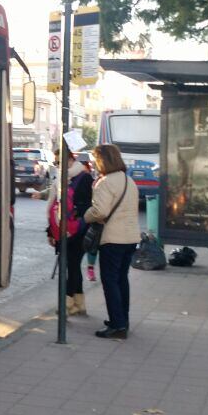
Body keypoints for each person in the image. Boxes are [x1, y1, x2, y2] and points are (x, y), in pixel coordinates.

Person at [84, 144, 140, 339]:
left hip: (112, 239)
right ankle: (122, 319)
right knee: (121, 279)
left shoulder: (105, 182)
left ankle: (117, 326)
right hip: (130, 238)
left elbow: (100, 211)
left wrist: (85, 216)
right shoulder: (129, 180)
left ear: (103, 160)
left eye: (95, 159)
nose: (93, 163)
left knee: (110, 281)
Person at [46, 152, 94, 316]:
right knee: (72, 267)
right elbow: (54, 208)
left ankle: (66, 304)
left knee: (71, 267)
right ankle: (79, 304)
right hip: (62, 231)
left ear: (71, 160)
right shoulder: (61, 179)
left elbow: (87, 206)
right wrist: (50, 232)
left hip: (77, 231)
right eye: (56, 162)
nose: (58, 165)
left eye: (61, 162)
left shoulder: (84, 178)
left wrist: (73, 218)